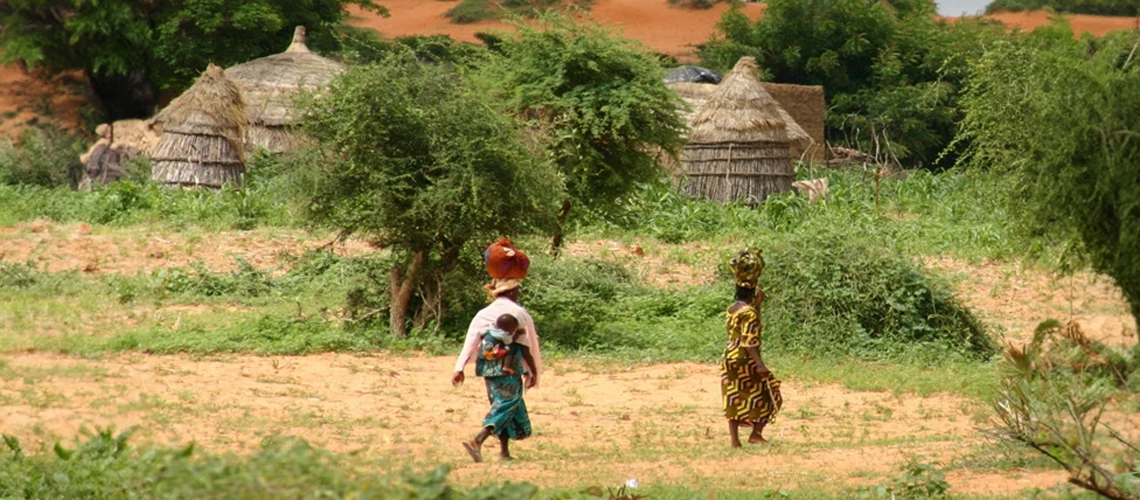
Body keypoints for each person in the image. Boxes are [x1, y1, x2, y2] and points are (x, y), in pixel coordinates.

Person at [721, 247, 783, 448]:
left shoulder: (732, 309)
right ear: (754, 288)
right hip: (746, 360)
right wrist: (760, 365)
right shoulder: (750, 313)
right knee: (769, 393)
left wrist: (757, 304)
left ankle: (735, 441)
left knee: (733, 396)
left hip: (729, 357)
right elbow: (749, 341)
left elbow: (742, 326)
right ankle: (756, 433)